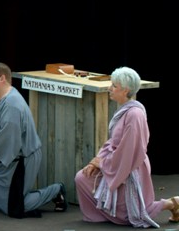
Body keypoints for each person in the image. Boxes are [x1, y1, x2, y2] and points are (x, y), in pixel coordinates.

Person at [74, 66, 179, 227]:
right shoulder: (124, 110)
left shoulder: (134, 114)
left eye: (114, 86)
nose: (110, 88)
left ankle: (172, 204)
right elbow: (113, 142)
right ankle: (106, 214)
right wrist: (97, 160)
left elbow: (129, 151)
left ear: (125, 90)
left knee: (134, 215)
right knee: (82, 178)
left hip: (131, 166)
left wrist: (102, 163)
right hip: (116, 162)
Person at [0, 62, 66, 218]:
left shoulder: (12, 104)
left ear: (2, 78)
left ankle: (55, 190)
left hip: (21, 160)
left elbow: (8, 138)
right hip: (2, 153)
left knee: (15, 208)